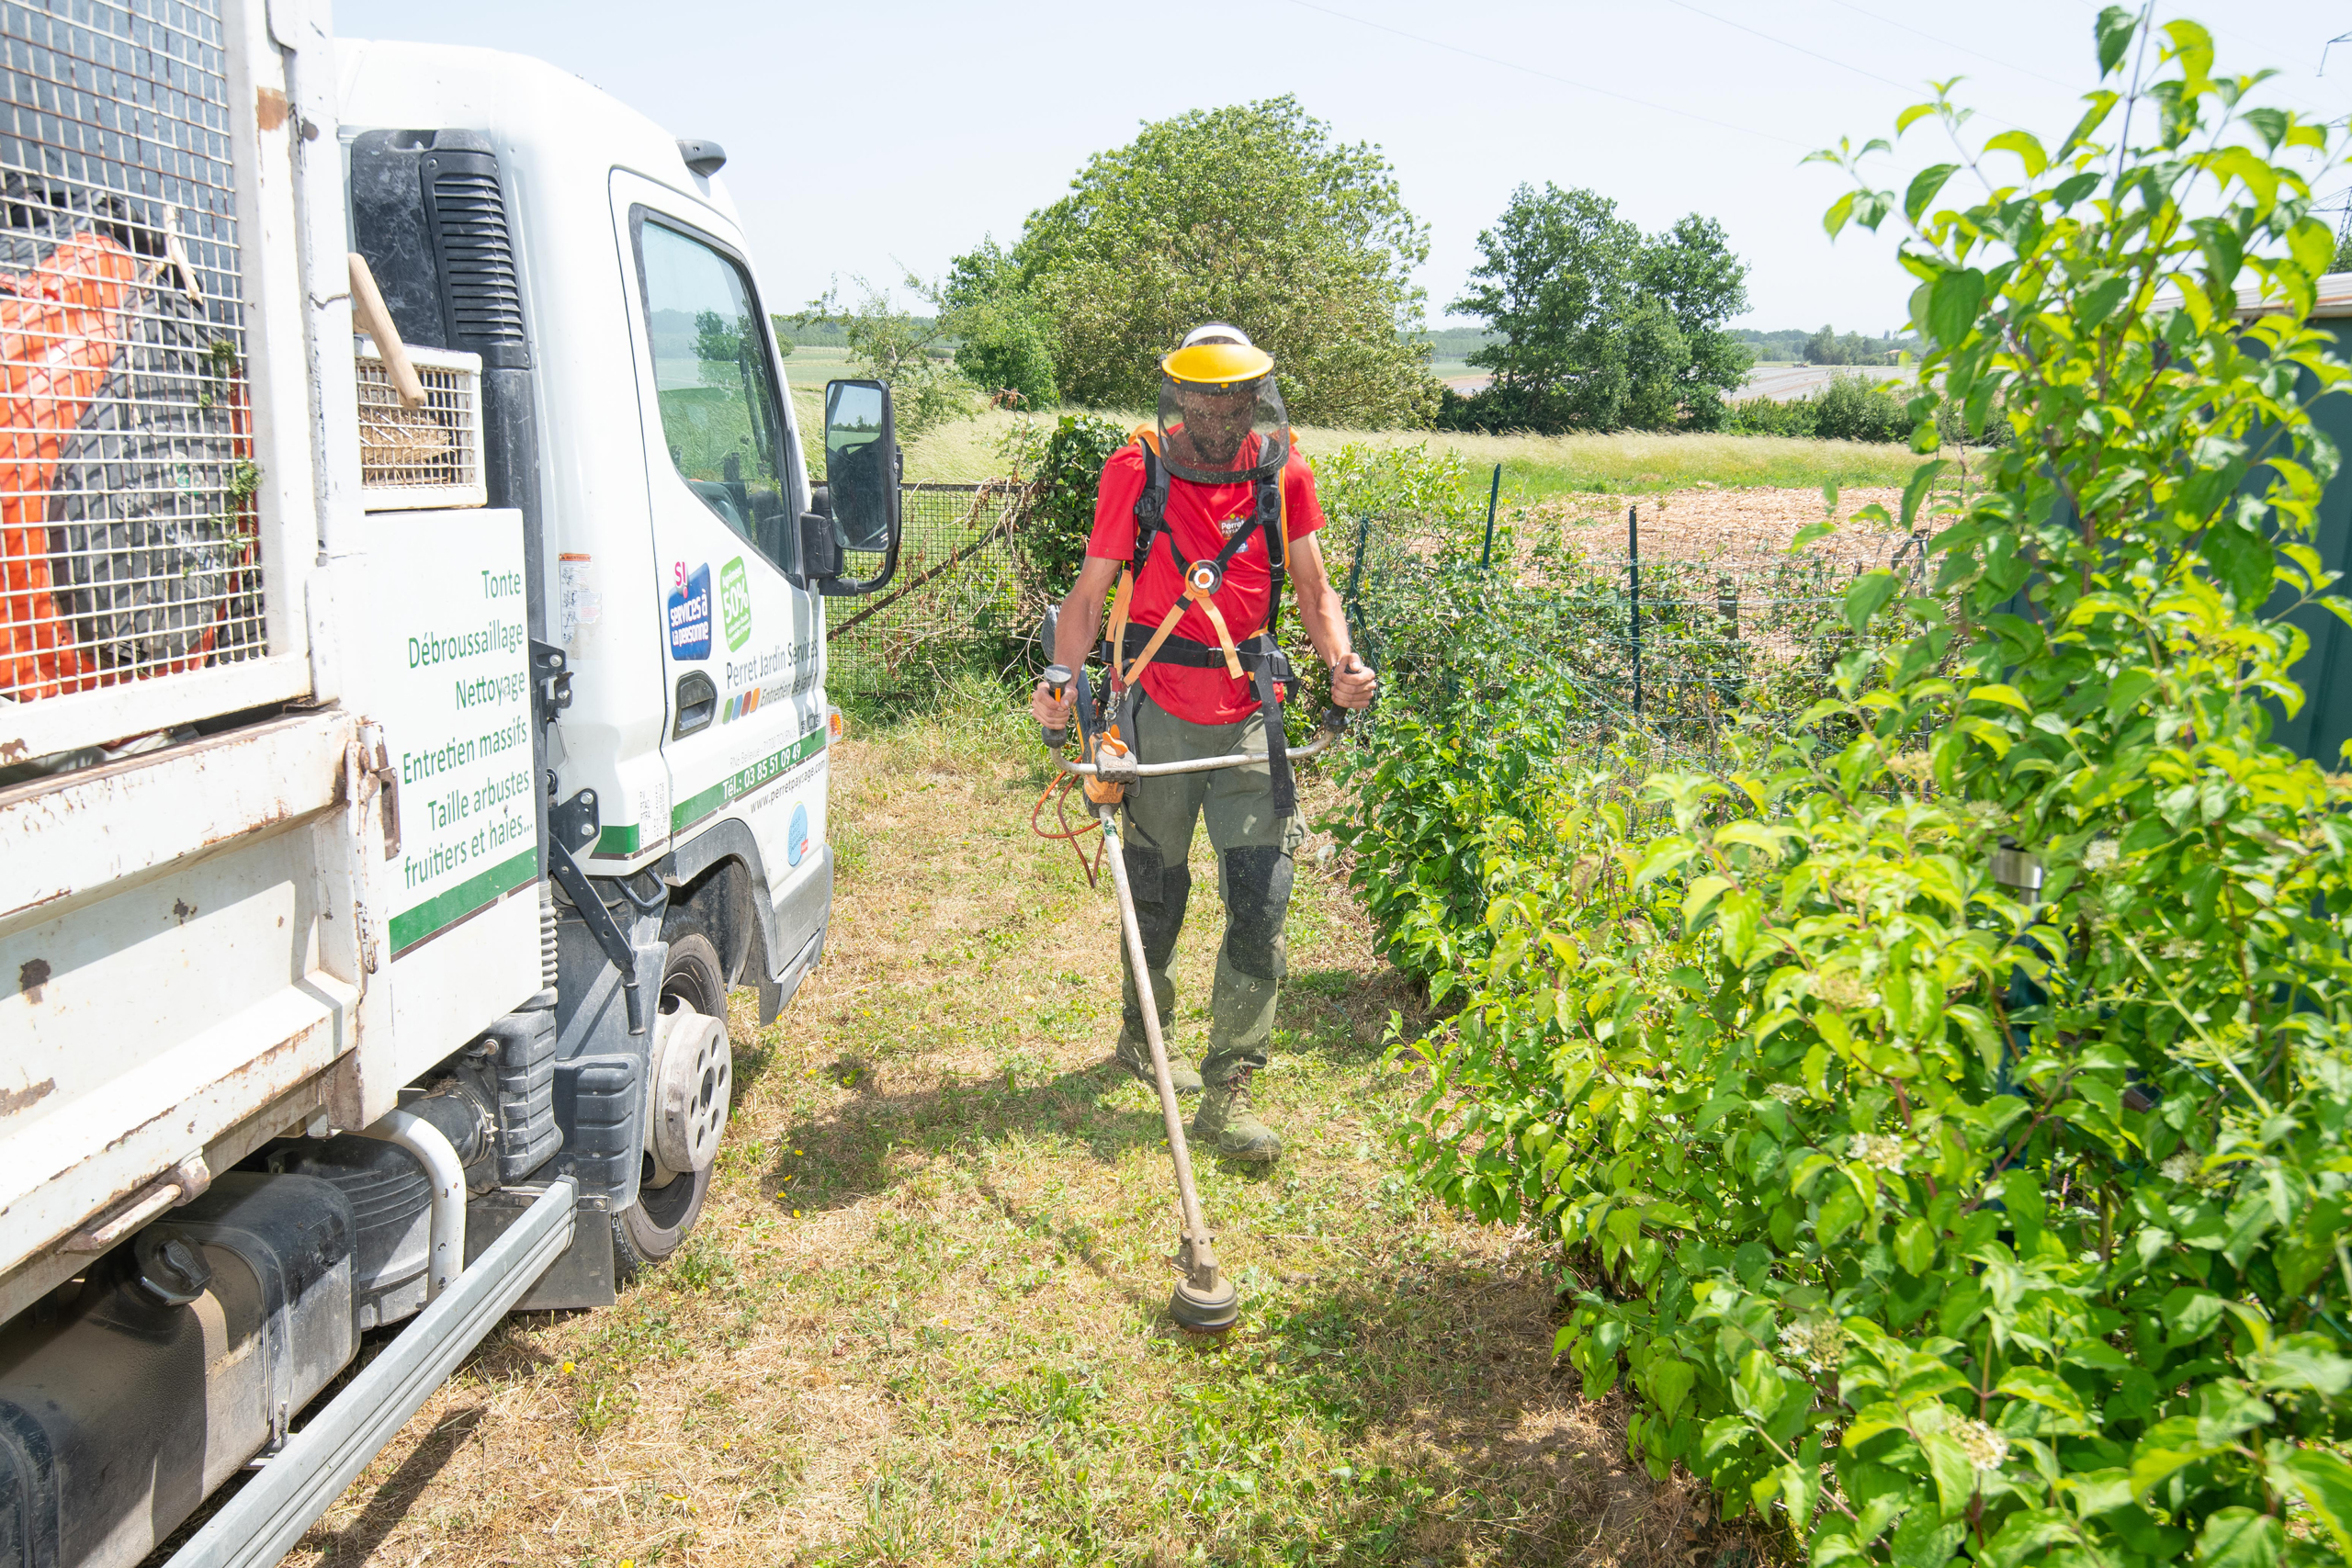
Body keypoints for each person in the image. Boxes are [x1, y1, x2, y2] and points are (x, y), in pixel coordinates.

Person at [1030, 324, 1376, 1167]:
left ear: (1257, 395)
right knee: (1156, 889)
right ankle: (1144, 1038)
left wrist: (1342, 663)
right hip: (1156, 707)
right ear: (1179, 394)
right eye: (1205, 393)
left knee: (1261, 899)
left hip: (1251, 716)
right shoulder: (1136, 468)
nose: (1220, 410)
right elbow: (1088, 594)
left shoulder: (1285, 471)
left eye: (1235, 394)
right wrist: (1059, 679)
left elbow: (1315, 587)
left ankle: (1230, 1082)